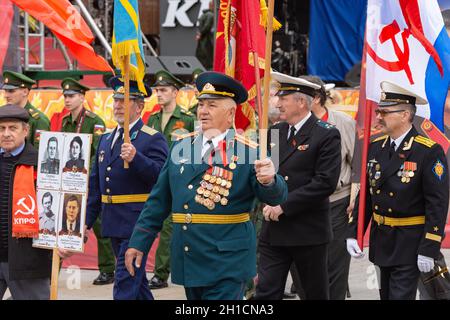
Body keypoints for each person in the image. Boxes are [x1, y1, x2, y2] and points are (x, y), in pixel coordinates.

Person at [125, 71, 288, 300]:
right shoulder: (181, 146)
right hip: (189, 256)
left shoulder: (249, 150)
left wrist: (270, 180)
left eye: (212, 105)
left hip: (227, 261)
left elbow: (275, 196)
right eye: (201, 104)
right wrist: (139, 241)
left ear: (231, 113)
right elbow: (159, 201)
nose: (203, 111)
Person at [346, 81, 449, 300]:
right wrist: (354, 233)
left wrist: (430, 246)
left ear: (404, 115)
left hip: (410, 243)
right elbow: (367, 194)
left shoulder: (427, 151)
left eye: (384, 112)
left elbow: (437, 203)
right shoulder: (376, 146)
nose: (378, 117)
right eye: (378, 111)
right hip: (382, 241)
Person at [255, 72, 342, 300]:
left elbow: (324, 183)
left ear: (301, 102)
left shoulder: (326, 134)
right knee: (265, 293)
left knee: (313, 294)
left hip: (307, 232)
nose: (278, 103)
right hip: (273, 230)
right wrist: (266, 196)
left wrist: (283, 206)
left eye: (284, 98)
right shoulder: (275, 132)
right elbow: (266, 175)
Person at [85, 76, 168, 300]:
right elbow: (96, 185)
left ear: (140, 106)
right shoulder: (105, 139)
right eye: (116, 100)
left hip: (137, 223)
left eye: (125, 100)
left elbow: (162, 179)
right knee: (136, 284)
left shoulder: (152, 139)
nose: (118, 105)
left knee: (124, 282)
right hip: (111, 221)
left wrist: (137, 158)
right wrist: (85, 222)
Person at [59, 77, 115, 286]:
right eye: (65, 96)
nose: (67, 99)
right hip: (70, 180)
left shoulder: (94, 121)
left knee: (99, 226)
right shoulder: (65, 121)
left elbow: (98, 153)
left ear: (82, 97)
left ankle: (108, 269)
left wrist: (85, 174)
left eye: (71, 96)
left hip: (90, 180)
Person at [306, 76, 356, 300]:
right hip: (300, 206)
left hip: (336, 203)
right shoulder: (283, 126)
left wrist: (355, 198)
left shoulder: (344, 123)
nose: (282, 101)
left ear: (316, 98)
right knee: (305, 269)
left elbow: (356, 166)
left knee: (334, 266)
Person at [147, 70, 196, 290]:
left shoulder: (187, 119)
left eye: (163, 90)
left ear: (175, 92)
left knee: (169, 227)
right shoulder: (152, 118)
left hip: (177, 179)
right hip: (154, 178)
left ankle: (160, 274)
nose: (158, 94)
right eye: (157, 90)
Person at [0, 104, 51, 300]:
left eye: (13, 128)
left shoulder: (42, 163)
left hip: (29, 260)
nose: (6, 134)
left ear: (26, 131)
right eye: (2, 129)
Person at [1, 70, 50, 148]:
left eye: (11, 91)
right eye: (5, 91)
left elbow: (39, 153)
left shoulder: (38, 120)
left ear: (25, 92)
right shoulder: (2, 115)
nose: (6, 95)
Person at [195, 1, 214, 70]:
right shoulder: (210, 15)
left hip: (203, 39)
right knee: (208, 58)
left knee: (202, 57)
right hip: (207, 40)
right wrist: (201, 33)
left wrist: (200, 33)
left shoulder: (204, 14)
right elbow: (207, 26)